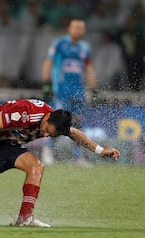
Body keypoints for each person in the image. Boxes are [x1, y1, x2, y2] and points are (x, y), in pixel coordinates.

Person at [42, 19, 98, 164]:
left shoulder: (85, 48)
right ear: (69, 28)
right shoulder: (59, 44)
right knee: (57, 122)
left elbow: (89, 68)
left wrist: (93, 86)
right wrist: (46, 82)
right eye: (76, 27)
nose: (79, 30)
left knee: (78, 123)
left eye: (81, 28)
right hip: (62, 90)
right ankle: (48, 150)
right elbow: (49, 62)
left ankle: (78, 156)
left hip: (78, 92)